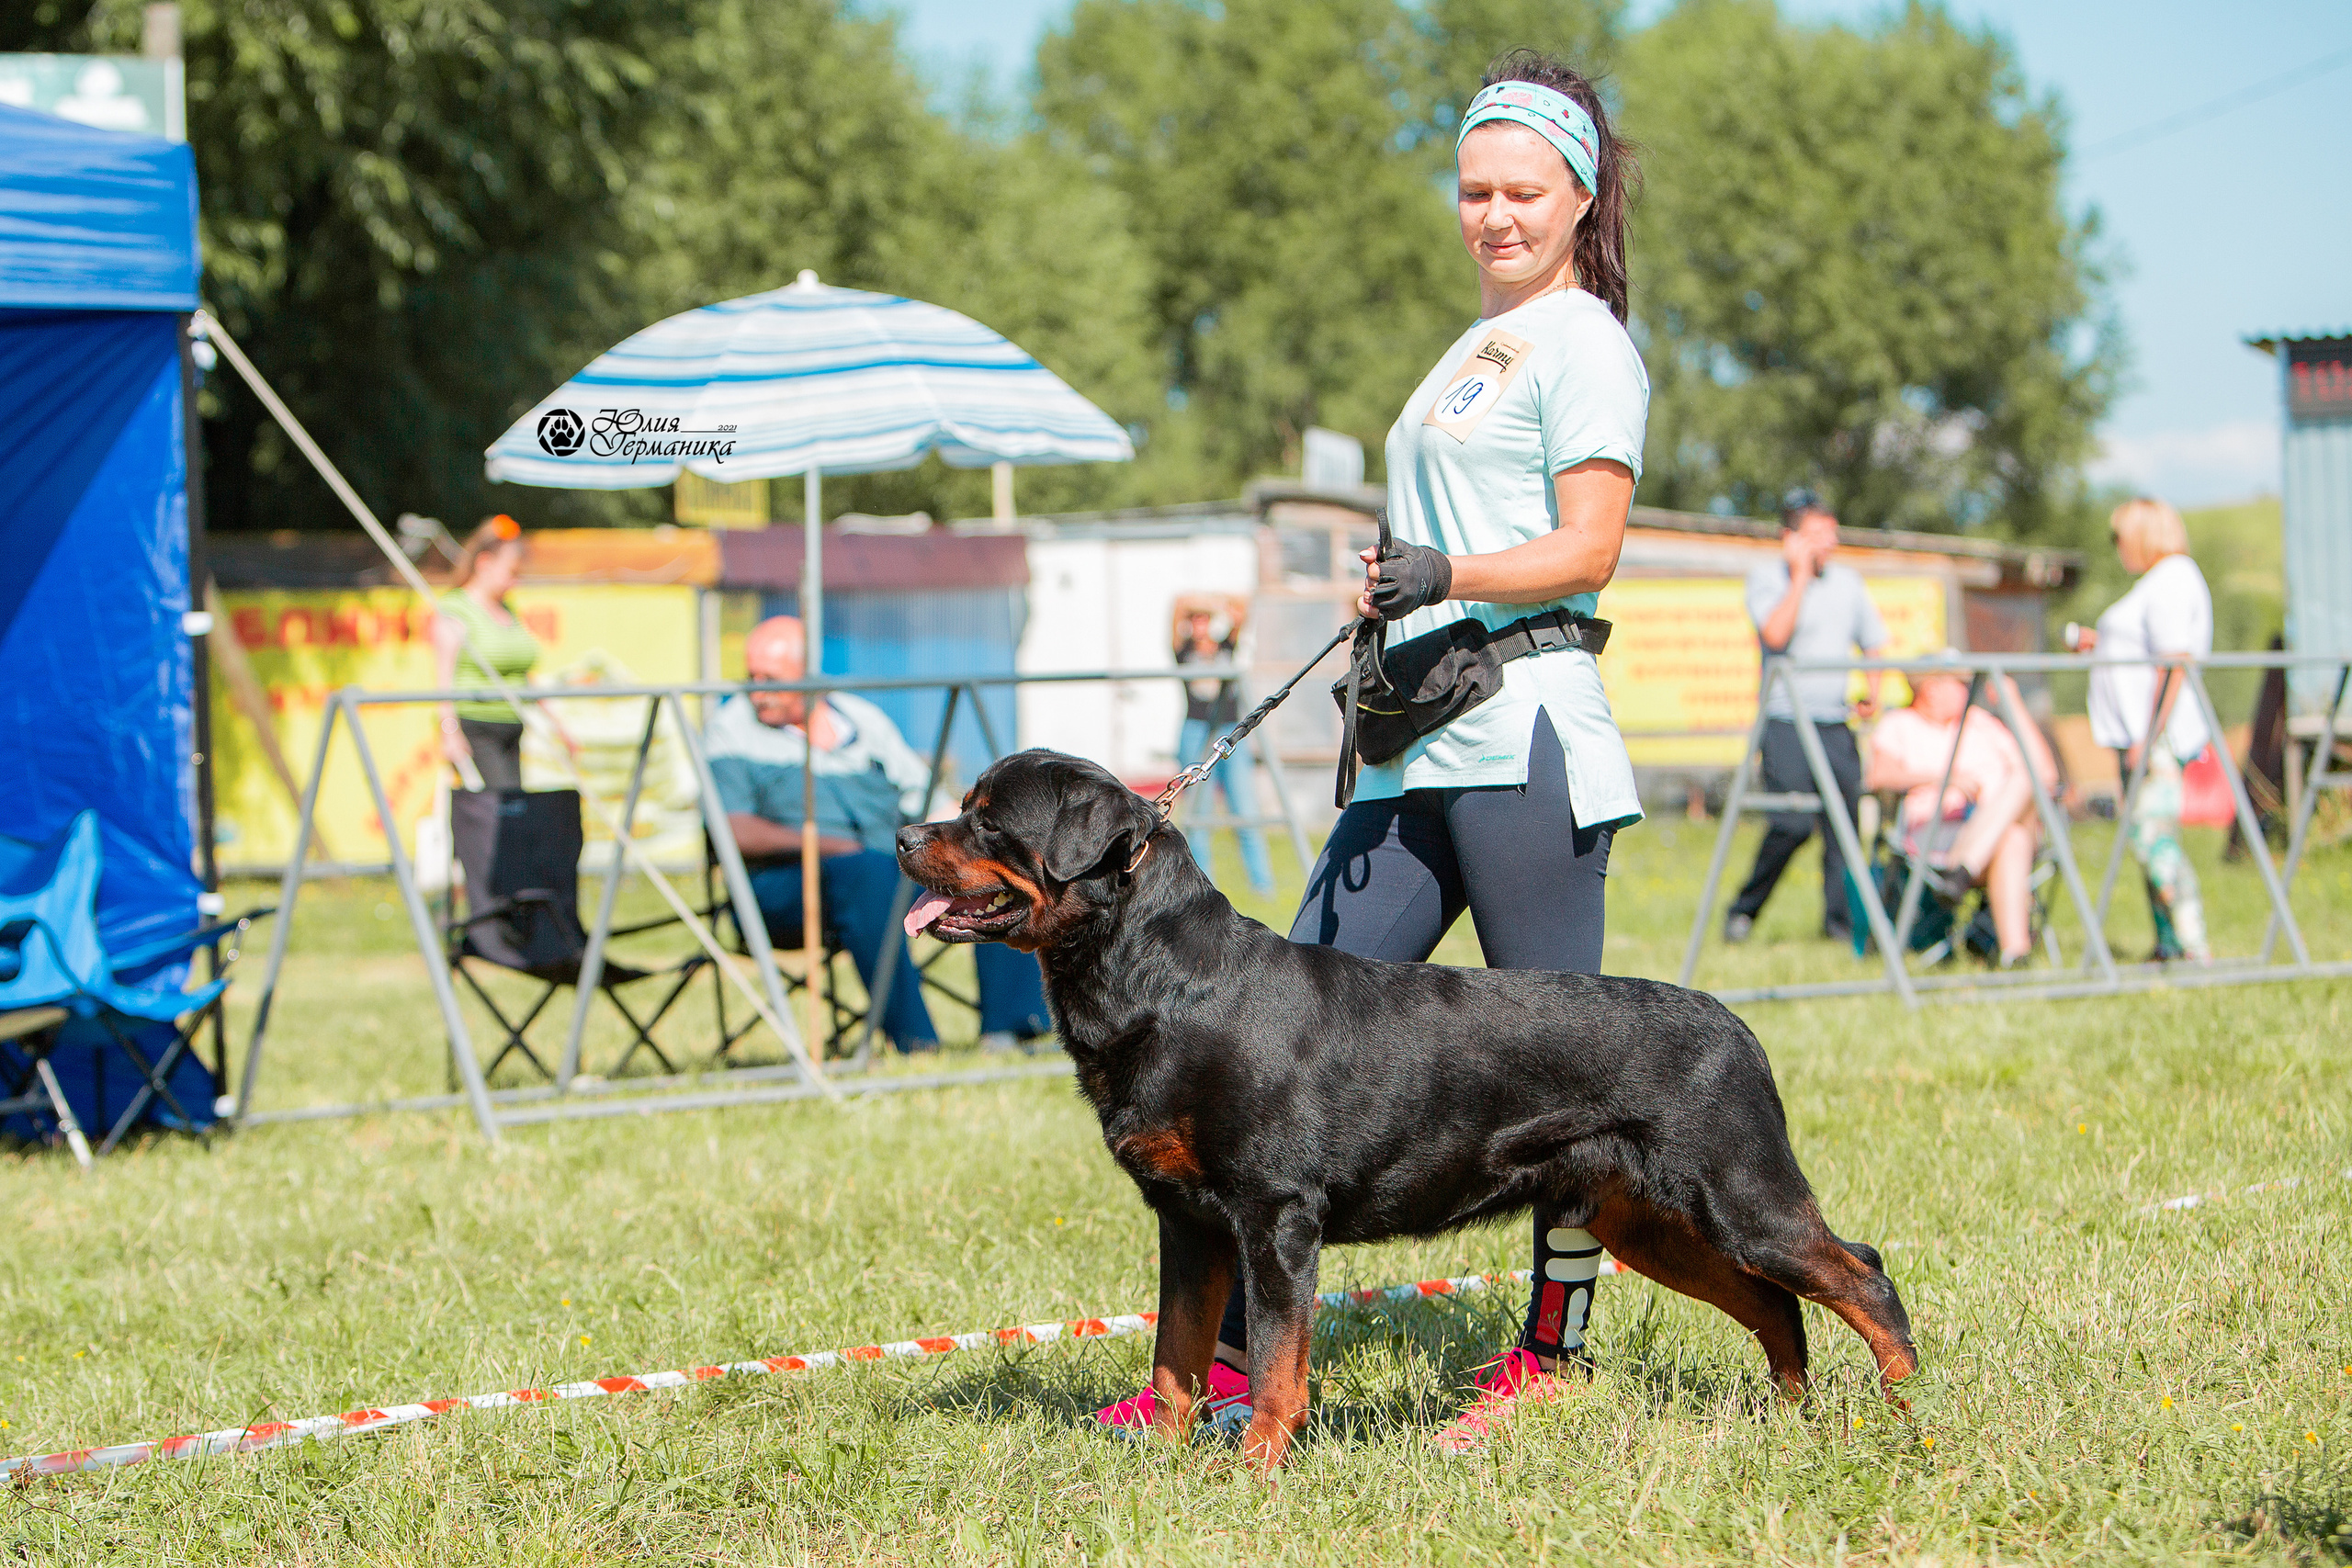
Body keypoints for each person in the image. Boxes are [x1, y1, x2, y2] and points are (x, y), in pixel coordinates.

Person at [1094, 48, 1646, 1452]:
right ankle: (1219, 1376)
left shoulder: (1587, 340)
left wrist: (1445, 564)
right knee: (1261, 1048)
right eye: (1475, 189)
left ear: (1581, 195)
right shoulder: (1475, 346)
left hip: (1525, 735)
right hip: (1415, 748)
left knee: (1566, 1072)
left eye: (1525, 190)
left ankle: (1553, 1356)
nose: (1496, 214)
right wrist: (1392, 591)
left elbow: (1591, 547)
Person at [705, 616, 1053, 1052]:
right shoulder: (731, 731)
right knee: (866, 872)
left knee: (990, 866)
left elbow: (923, 796)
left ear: (809, 674)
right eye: (750, 676)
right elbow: (734, 832)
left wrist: (978, 837)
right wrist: (829, 847)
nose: (758, 691)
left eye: (770, 678)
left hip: (884, 874)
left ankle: (1010, 1029)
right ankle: (916, 1042)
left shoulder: (860, 719)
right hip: (782, 888)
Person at [1723, 491, 1890, 945]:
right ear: (1790, 538)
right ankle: (1744, 910)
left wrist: (1872, 695)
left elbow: (1873, 642)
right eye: (1817, 534)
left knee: (1844, 830)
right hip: (1783, 723)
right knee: (1792, 823)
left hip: (1834, 723)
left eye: (1832, 533)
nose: (1828, 543)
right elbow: (1776, 634)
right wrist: (1799, 577)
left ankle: (1840, 928)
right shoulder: (1767, 579)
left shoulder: (1849, 583)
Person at [2075, 498, 2213, 962]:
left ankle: (2193, 946)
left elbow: (2174, 663)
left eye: (2120, 538)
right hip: (2138, 734)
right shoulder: (2157, 582)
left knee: (2156, 841)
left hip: (2154, 737)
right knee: (2146, 839)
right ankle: (2169, 945)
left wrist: (2147, 735)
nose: (2117, 548)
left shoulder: (2173, 578)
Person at [1864, 666, 2057, 964]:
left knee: (2025, 778)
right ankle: (2014, 954)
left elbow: (2046, 775)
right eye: (1960, 683)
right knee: (2012, 837)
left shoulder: (1980, 723)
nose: (1969, 691)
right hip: (1937, 836)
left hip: (1988, 828)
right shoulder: (1900, 724)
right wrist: (1946, 779)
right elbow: (1879, 776)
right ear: (1931, 687)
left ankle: (1964, 870)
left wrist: (2011, 703)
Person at [433, 515, 561, 790]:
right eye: (512, 573)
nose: (516, 583)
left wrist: (558, 723)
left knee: (515, 808)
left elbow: (524, 674)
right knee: (499, 809)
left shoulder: (508, 611)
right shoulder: (456, 610)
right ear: (485, 564)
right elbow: (443, 680)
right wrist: (449, 732)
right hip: (477, 727)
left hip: (513, 725)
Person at [1170, 593, 1274, 897]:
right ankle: (1204, 886)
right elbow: (1177, 606)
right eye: (1196, 620)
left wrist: (1211, 605)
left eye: (1205, 620)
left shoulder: (1226, 645)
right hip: (1195, 732)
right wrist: (1194, 609)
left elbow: (1243, 606)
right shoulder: (1183, 650)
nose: (1200, 625)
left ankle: (1262, 885)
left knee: (1245, 810)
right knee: (1198, 815)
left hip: (1229, 732)